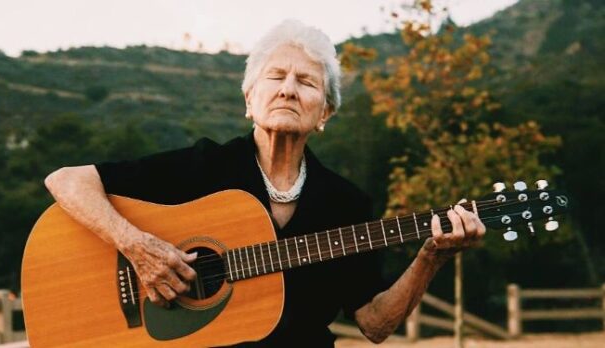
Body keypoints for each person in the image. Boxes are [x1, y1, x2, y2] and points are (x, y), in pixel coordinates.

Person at [44, 20, 485, 347]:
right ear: (250, 100)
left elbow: (374, 324)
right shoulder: (203, 167)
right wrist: (137, 246)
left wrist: (431, 256)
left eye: (307, 82)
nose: (288, 90)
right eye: (275, 77)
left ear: (325, 113)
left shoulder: (346, 203)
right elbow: (67, 181)